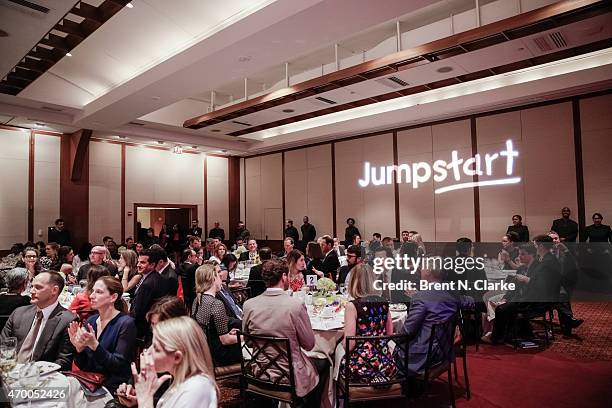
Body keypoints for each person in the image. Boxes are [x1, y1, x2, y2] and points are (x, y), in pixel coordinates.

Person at [242, 259, 328, 407]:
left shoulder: (249, 305)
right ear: (283, 277)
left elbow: (248, 341)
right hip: (289, 375)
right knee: (325, 362)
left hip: (259, 370)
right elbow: (309, 345)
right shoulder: (294, 305)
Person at [395, 261, 472, 374]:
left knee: (387, 345)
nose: (420, 269)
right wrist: (458, 324)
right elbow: (470, 301)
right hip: (445, 351)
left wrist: (392, 338)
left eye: (423, 267)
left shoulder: (421, 297)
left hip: (423, 357)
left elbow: (407, 332)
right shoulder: (452, 291)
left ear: (428, 271)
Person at [67, 276, 137, 399]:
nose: (92, 296)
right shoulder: (91, 320)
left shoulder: (126, 324)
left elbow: (118, 367)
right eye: (93, 291)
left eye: (98, 292)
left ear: (113, 297)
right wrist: (79, 349)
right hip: (90, 383)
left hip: (112, 387)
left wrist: (95, 346)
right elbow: (84, 366)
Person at [115, 297, 188, 408]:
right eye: (153, 325)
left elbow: (173, 399)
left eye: (159, 325)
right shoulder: (153, 341)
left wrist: (143, 399)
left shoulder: (185, 353)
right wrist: (130, 387)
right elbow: (141, 373)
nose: (155, 330)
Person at [130, 316, 218, 408]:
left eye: (156, 348)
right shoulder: (180, 382)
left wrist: (145, 398)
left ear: (177, 357)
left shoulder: (196, 387)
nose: (147, 352)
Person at [491, 237, 562, 343]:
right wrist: (506, 298)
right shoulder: (522, 268)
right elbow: (514, 288)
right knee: (498, 303)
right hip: (523, 297)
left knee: (501, 309)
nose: (519, 257)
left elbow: (541, 287)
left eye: (523, 254)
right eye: (519, 254)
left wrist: (526, 280)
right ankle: (508, 332)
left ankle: (497, 338)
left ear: (532, 255)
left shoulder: (541, 265)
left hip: (533, 300)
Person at [0, 271, 75, 370]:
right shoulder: (19, 313)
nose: (32, 291)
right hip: (10, 372)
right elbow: (3, 345)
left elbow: (64, 361)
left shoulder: (67, 320)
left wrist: (34, 373)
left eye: (38, 287)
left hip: (42, 378)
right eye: (32, 286)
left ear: (54, 290)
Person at [342, 263, 396, 382]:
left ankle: (335, 399)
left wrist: (339, 344)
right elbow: (389, 334)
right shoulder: (384, 302)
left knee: (336, 355)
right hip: (385, 364)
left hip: (363, 366)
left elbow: (349, 344)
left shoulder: (352, 306)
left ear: (353, 282)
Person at [192, 264, 241, 367]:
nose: (221, 280)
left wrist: (230, 333)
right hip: (219, 356)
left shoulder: (197, 300)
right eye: (219, 276)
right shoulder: (216, 303)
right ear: (212, 279)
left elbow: (211, 330)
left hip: (206, 352)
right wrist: (246, 337)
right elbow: (225, 340)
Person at [548, 231, 583, 336]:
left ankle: (567, 325)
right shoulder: (544, 253)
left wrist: (567, 251)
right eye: (551, 239)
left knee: (562, 295)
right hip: (548, 284)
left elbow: (575, 267)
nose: (554, 241)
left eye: (556, 238)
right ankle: (569, 322)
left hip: (564, 283)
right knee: (562, 296)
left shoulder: (565, 251)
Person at [131, 249, 166, 343]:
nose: (138, 265)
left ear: (152, 265)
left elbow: (139, 311)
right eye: (138, 262)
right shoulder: (156, 276)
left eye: (142, 262)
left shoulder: (148, 283)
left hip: (144, 328)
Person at [177, 248, 198, 313]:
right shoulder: (193, 267)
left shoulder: (179, 267)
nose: (196, 258)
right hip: (192, 296)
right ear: (189, 257)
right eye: (195, 256)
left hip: (182, 296)